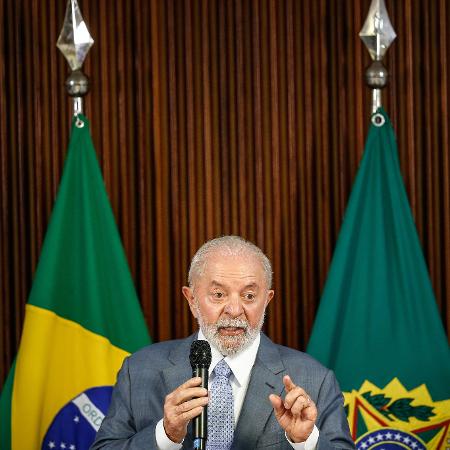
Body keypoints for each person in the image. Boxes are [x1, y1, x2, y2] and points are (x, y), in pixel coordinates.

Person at [91, 236, 355, 449]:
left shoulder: (314, 380)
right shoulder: (138, 370)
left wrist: (306, 442)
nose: (234, 309)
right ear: (192, 299)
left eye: (250, 296)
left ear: (268, 300)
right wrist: (165, 435)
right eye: (218, 294)